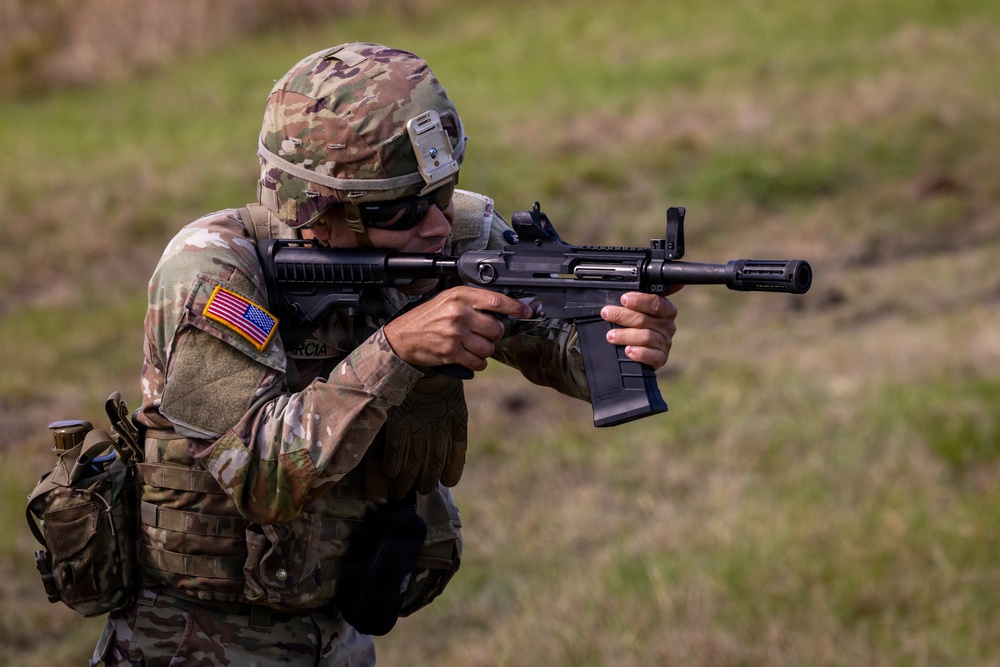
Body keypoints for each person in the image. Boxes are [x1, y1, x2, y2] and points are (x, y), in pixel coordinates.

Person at [91, 43, 679, 666]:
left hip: (341, 627)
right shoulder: (212, 272)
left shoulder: (453, 231)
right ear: (316, 210)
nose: (433, 227)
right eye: (397, 210)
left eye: (443, 194)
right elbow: (257, 475)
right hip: (197, 639)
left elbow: (555, 345)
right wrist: (396, 349)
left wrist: (619, 331)